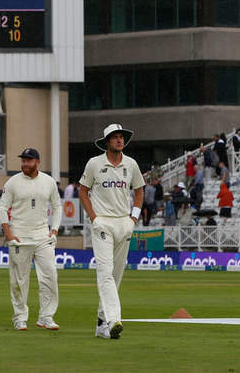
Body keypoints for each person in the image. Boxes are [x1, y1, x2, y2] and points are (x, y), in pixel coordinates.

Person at [79, 124, 145, 340]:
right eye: (114, 137)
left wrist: (133, 218)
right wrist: (94, 218)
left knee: (116, 275)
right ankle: (113, 320)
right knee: (105, 272)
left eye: (121, 137)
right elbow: (83, 191)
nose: (119, 140)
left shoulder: (131, 164)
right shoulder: (94, 164)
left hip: (123, 223)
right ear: (106, 142)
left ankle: (100, 324)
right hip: (102, 224)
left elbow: (139, 193)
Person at [0, 148, 62, 331]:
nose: (25, 164)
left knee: (50, 276)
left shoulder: (48, 182)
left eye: (29, 160)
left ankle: (46, 317)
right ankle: (19, 317)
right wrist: (8, 234)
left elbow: (57, 207)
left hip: (43, 236)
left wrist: (54, 230)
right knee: (19, 280)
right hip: (19, 236)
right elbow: (3, 208)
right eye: (23, 160)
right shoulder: (12, 182)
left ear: (37, 162)